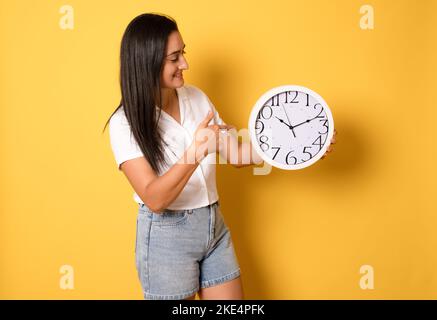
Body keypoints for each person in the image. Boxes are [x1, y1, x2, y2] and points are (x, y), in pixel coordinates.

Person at [104, 13, 336, 300]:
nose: (185, 64)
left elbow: (237, 153)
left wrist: (304, 144)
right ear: (147, 61)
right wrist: (197, 150)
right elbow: (154, 198)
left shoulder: (196, 97)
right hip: (166, 236)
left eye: (183, 53)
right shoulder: (124, 122)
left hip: (213, 224)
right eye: (174, 58)